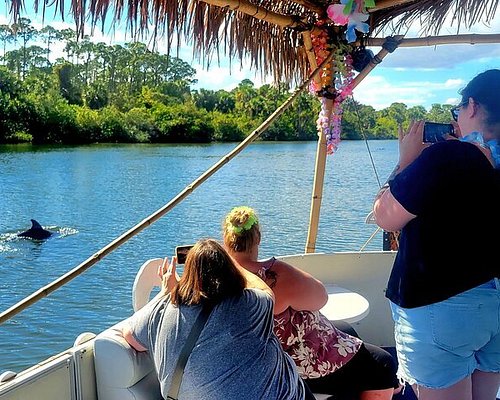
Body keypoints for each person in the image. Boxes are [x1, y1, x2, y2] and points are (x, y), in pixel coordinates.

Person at [372, 69, 500, 400]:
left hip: (441, 308)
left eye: (457, 110)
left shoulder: (449, 156)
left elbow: (386, 217)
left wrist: (407, 162)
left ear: (471, 107)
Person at [222, 206, 400, 400]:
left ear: (226, 240)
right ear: (257, 238)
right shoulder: (274, 274)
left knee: (346, 329)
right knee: (384, 365)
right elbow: (320, 297)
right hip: (293, 364)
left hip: (255, 361)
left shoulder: (218, 278)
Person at [122, 238, 314, 400]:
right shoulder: (250, 303)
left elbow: (130, 336)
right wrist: (233, 261)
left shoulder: (162, 310)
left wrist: (166, 292)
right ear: (229, 270)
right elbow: (265, 290)